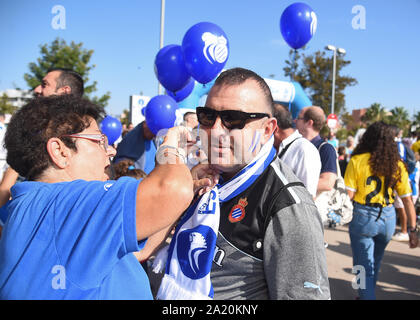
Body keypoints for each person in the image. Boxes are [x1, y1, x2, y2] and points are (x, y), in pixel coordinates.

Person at [152, 68, 330, 300]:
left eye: (232, 119)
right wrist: (180, 187)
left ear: (267, 130)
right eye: (207, 116)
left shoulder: (289, 206)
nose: (215, 131)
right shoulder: (202, 179)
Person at [0, 95, 194, 299]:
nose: (111, 150)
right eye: (99, 141)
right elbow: (172, 189)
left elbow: (138, 252)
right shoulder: (67, 203)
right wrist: (170, 147)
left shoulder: (38, 206)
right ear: (60, 151)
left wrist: (192, 180)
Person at [344, 121, 418, 300]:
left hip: (363, 216)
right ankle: (365, 293)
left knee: (362, 267)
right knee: (374, 262)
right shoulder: (398, 165)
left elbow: (349, 196)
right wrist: (413, 230)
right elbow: (408, 200)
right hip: (388, 218)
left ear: (367, 138)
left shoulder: (357, 160)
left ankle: (365, 295)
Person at [273, 103, 321, 198]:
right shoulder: (276, 147)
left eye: (265, 129)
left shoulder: (304, 150)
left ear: (275, 129)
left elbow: (308, 197)